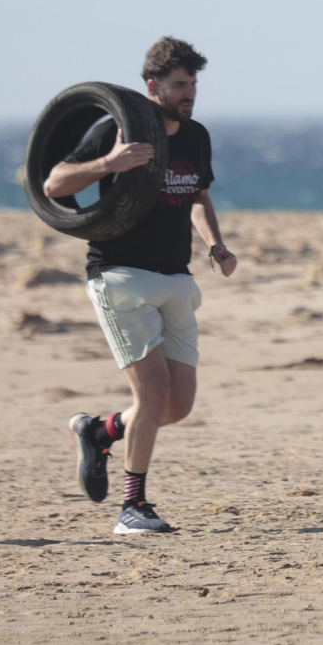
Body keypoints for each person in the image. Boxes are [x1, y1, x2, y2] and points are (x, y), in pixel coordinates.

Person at [48, 36, 238, 535]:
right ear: (153, 86)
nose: (189, 92)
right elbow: (54, 185)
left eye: (194, 84)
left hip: (177, 276)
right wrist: (109, 164)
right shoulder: (118, 130)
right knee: (152, 395)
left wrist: (216, 245)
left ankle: (99, 429)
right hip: (119, 274)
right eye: (179, 84)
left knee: (177, 405)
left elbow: (197, 194)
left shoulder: (196, 135)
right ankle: (133, 507)